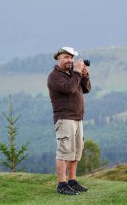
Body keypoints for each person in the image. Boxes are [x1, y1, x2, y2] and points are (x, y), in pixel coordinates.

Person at [47, 46, 91, 195]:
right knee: (64, 152)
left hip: (77, 118)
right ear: (58, 58)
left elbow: (86, 89)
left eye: (71, 58)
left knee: (76, 151)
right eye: (66, 57)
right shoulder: (54, 76)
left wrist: (85, 75)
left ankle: (72, 181)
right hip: (64, 118)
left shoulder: (73, 74)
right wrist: (78, 72)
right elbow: (70, 89)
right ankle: (62, 184)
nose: (70, 60)